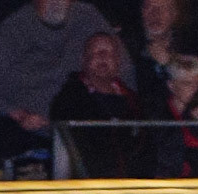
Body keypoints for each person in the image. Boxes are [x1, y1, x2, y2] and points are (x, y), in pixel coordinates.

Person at [0, 0, 135, 160]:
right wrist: (19, 115)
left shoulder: (88, 17)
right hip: (28, 137)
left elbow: (124, 69)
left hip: (85, 136)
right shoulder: (15, 28)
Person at [49, 31, 144, 176]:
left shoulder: (135, 103)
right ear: (84, 60)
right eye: (96, 52)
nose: (103, 57)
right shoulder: (68, 101)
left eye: (109, 53)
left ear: (118, 61)